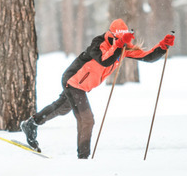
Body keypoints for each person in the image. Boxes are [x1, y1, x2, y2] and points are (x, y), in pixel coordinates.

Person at [21, 18, 175, 159]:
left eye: (122, 39)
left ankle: (31, 124)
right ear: (111, 35)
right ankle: (83, 158)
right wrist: (119, 44)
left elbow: (147, 57)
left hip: (82, 85)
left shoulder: (122, 48)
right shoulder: (98, 44)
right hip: (73, 80)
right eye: (117, 39)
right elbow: (104, 60)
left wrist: (162, 47)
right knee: (87, 119)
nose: (120, 42)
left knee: (62, 108)